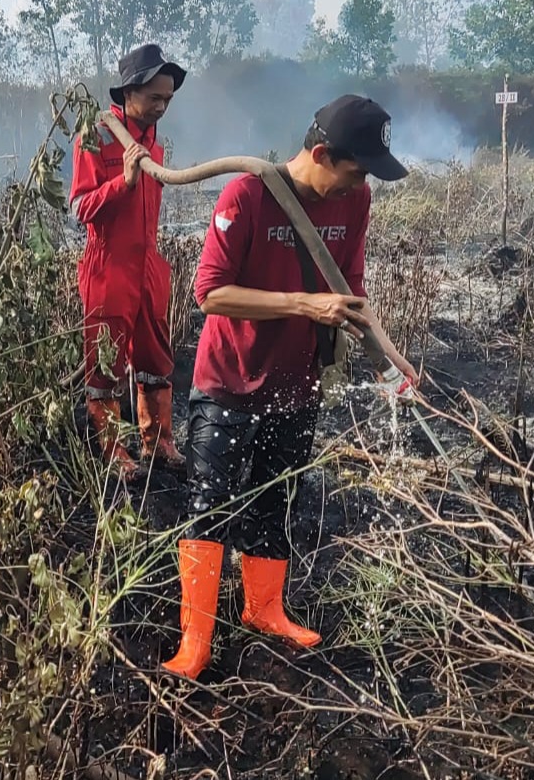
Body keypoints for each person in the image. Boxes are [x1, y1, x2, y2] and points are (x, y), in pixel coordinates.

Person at [162, 94, 419, 679]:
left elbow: (350, 294)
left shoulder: (356, 203)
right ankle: (195, 640)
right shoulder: (247, 196)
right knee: (210, 506)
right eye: (355, 171)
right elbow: (210, 293)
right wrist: (302, 303)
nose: (360, 185)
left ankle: (264, 609)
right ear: (322, 153)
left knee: (276, 499)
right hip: (228, 378)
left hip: (296, 381)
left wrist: (395, 362)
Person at [69, 44, 188, 479]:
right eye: (155, 97)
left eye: (168, 100)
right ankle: (114, 450)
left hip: (149, 266)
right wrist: (123, 181)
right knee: (106, 365)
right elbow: (80, 206)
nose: (161, 107)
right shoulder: (95, 135)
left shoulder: (154, 141)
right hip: (109, 266)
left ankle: (159, 443)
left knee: (156, 359)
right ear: (129, 92)